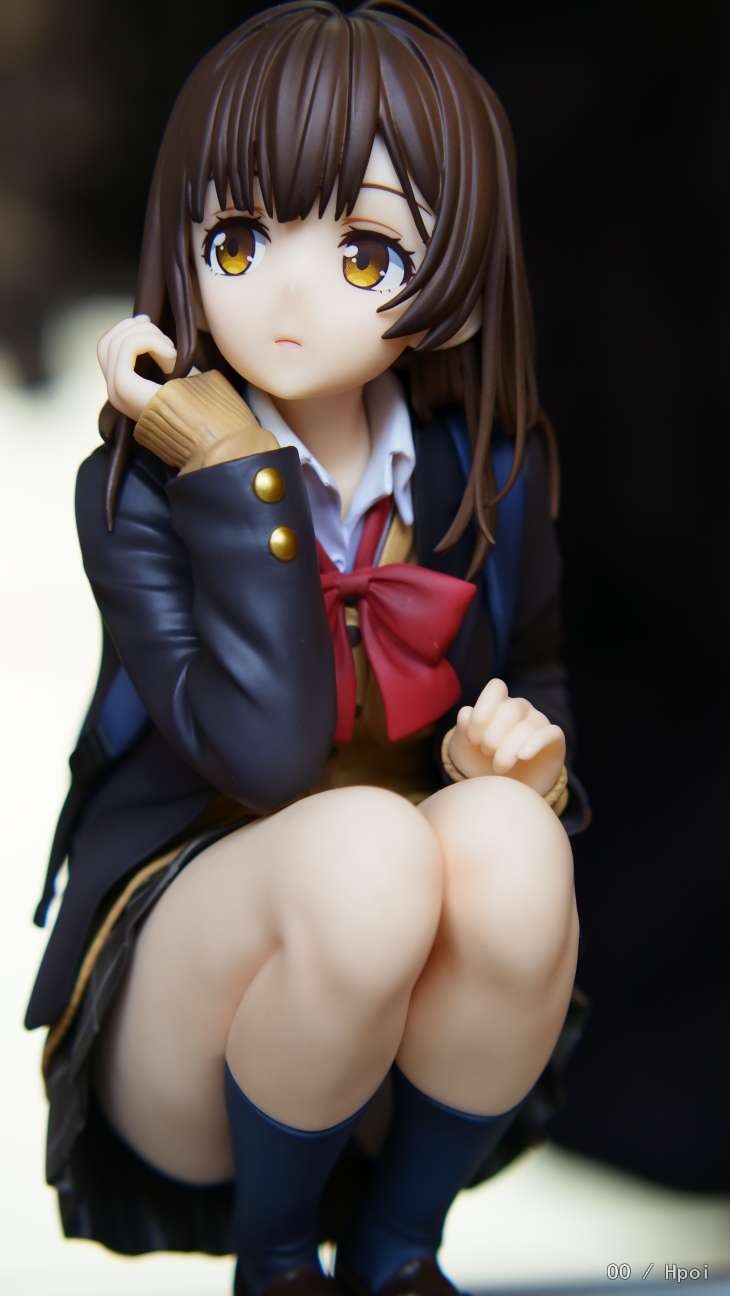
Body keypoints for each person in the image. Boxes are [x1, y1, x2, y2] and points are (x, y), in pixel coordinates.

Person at [24, 4, 591, 1295]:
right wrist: (226, 459)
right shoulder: (141, 495)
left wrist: (529, 766)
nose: (285, 293)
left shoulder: (484, 477)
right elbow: (268, 753)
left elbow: (543, 680)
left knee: (510, 844)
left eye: (362, 252)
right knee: (366, 849)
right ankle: (276, 1264)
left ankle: (398, 1252)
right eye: (238, 238)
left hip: (411, 1032)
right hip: (196, 999)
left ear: (455, 273)